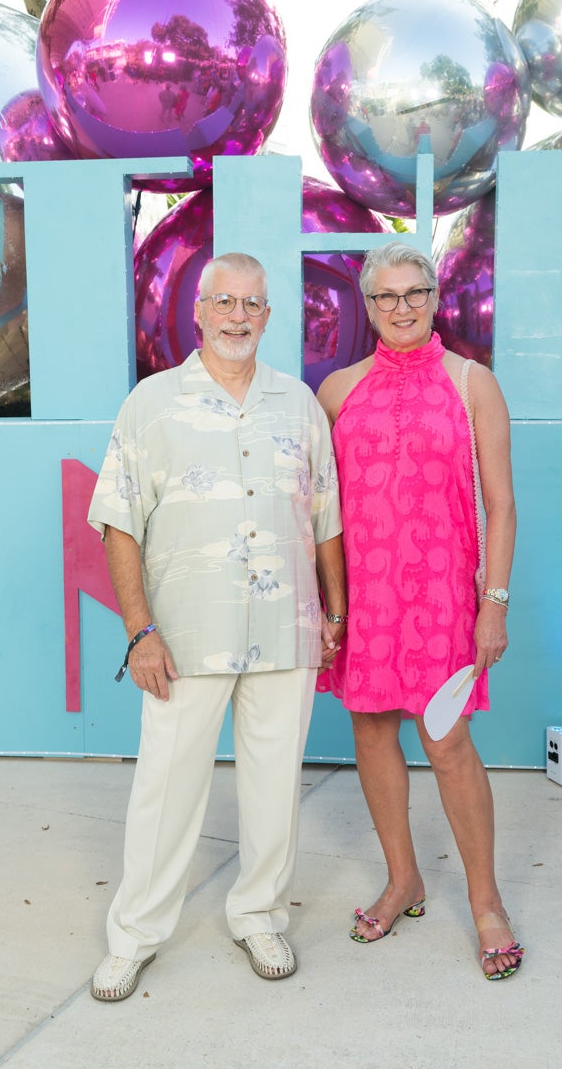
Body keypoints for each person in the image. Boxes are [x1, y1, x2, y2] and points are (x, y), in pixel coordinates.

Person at [87, 252, 346, 1001]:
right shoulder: (152, 403)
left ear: (269, 314)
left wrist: (334, 610)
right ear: (198, 311)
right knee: (165, 788)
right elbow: (119, 522)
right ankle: (135, 935)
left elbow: (325, 516)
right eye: (224, 302)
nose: (238, 316)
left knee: (275, 784)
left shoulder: (299, 404)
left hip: (287, 625)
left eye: (252, 304)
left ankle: (259, 915)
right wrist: (140, 631)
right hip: (184, 634)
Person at [316, 241, 524, 980]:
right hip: (365, 601)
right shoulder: (337, 392)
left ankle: (486, 901)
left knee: (447, 741)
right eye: (386, 295)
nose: (401, 307)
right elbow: (318, 512)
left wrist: (493, 604)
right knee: (372, 732)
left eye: (415, 293)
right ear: (369, 306)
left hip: (442, 597)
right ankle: (403, 879)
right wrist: (326, 607)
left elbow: (501, 506)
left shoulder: (472, 383)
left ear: (435, 299)